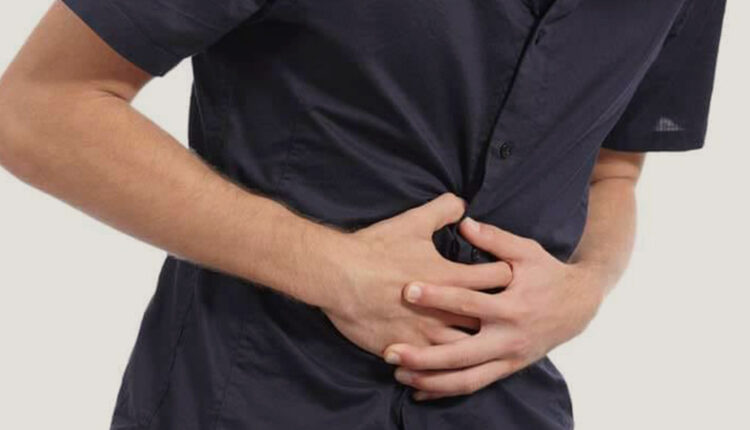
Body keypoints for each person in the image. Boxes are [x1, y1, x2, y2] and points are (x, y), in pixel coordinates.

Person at [0, 0, 726, 428]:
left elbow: (613, 167)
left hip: (509, 408)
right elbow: (36, 108)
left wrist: (586, 287)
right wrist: (333, 269)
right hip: (251, 397)